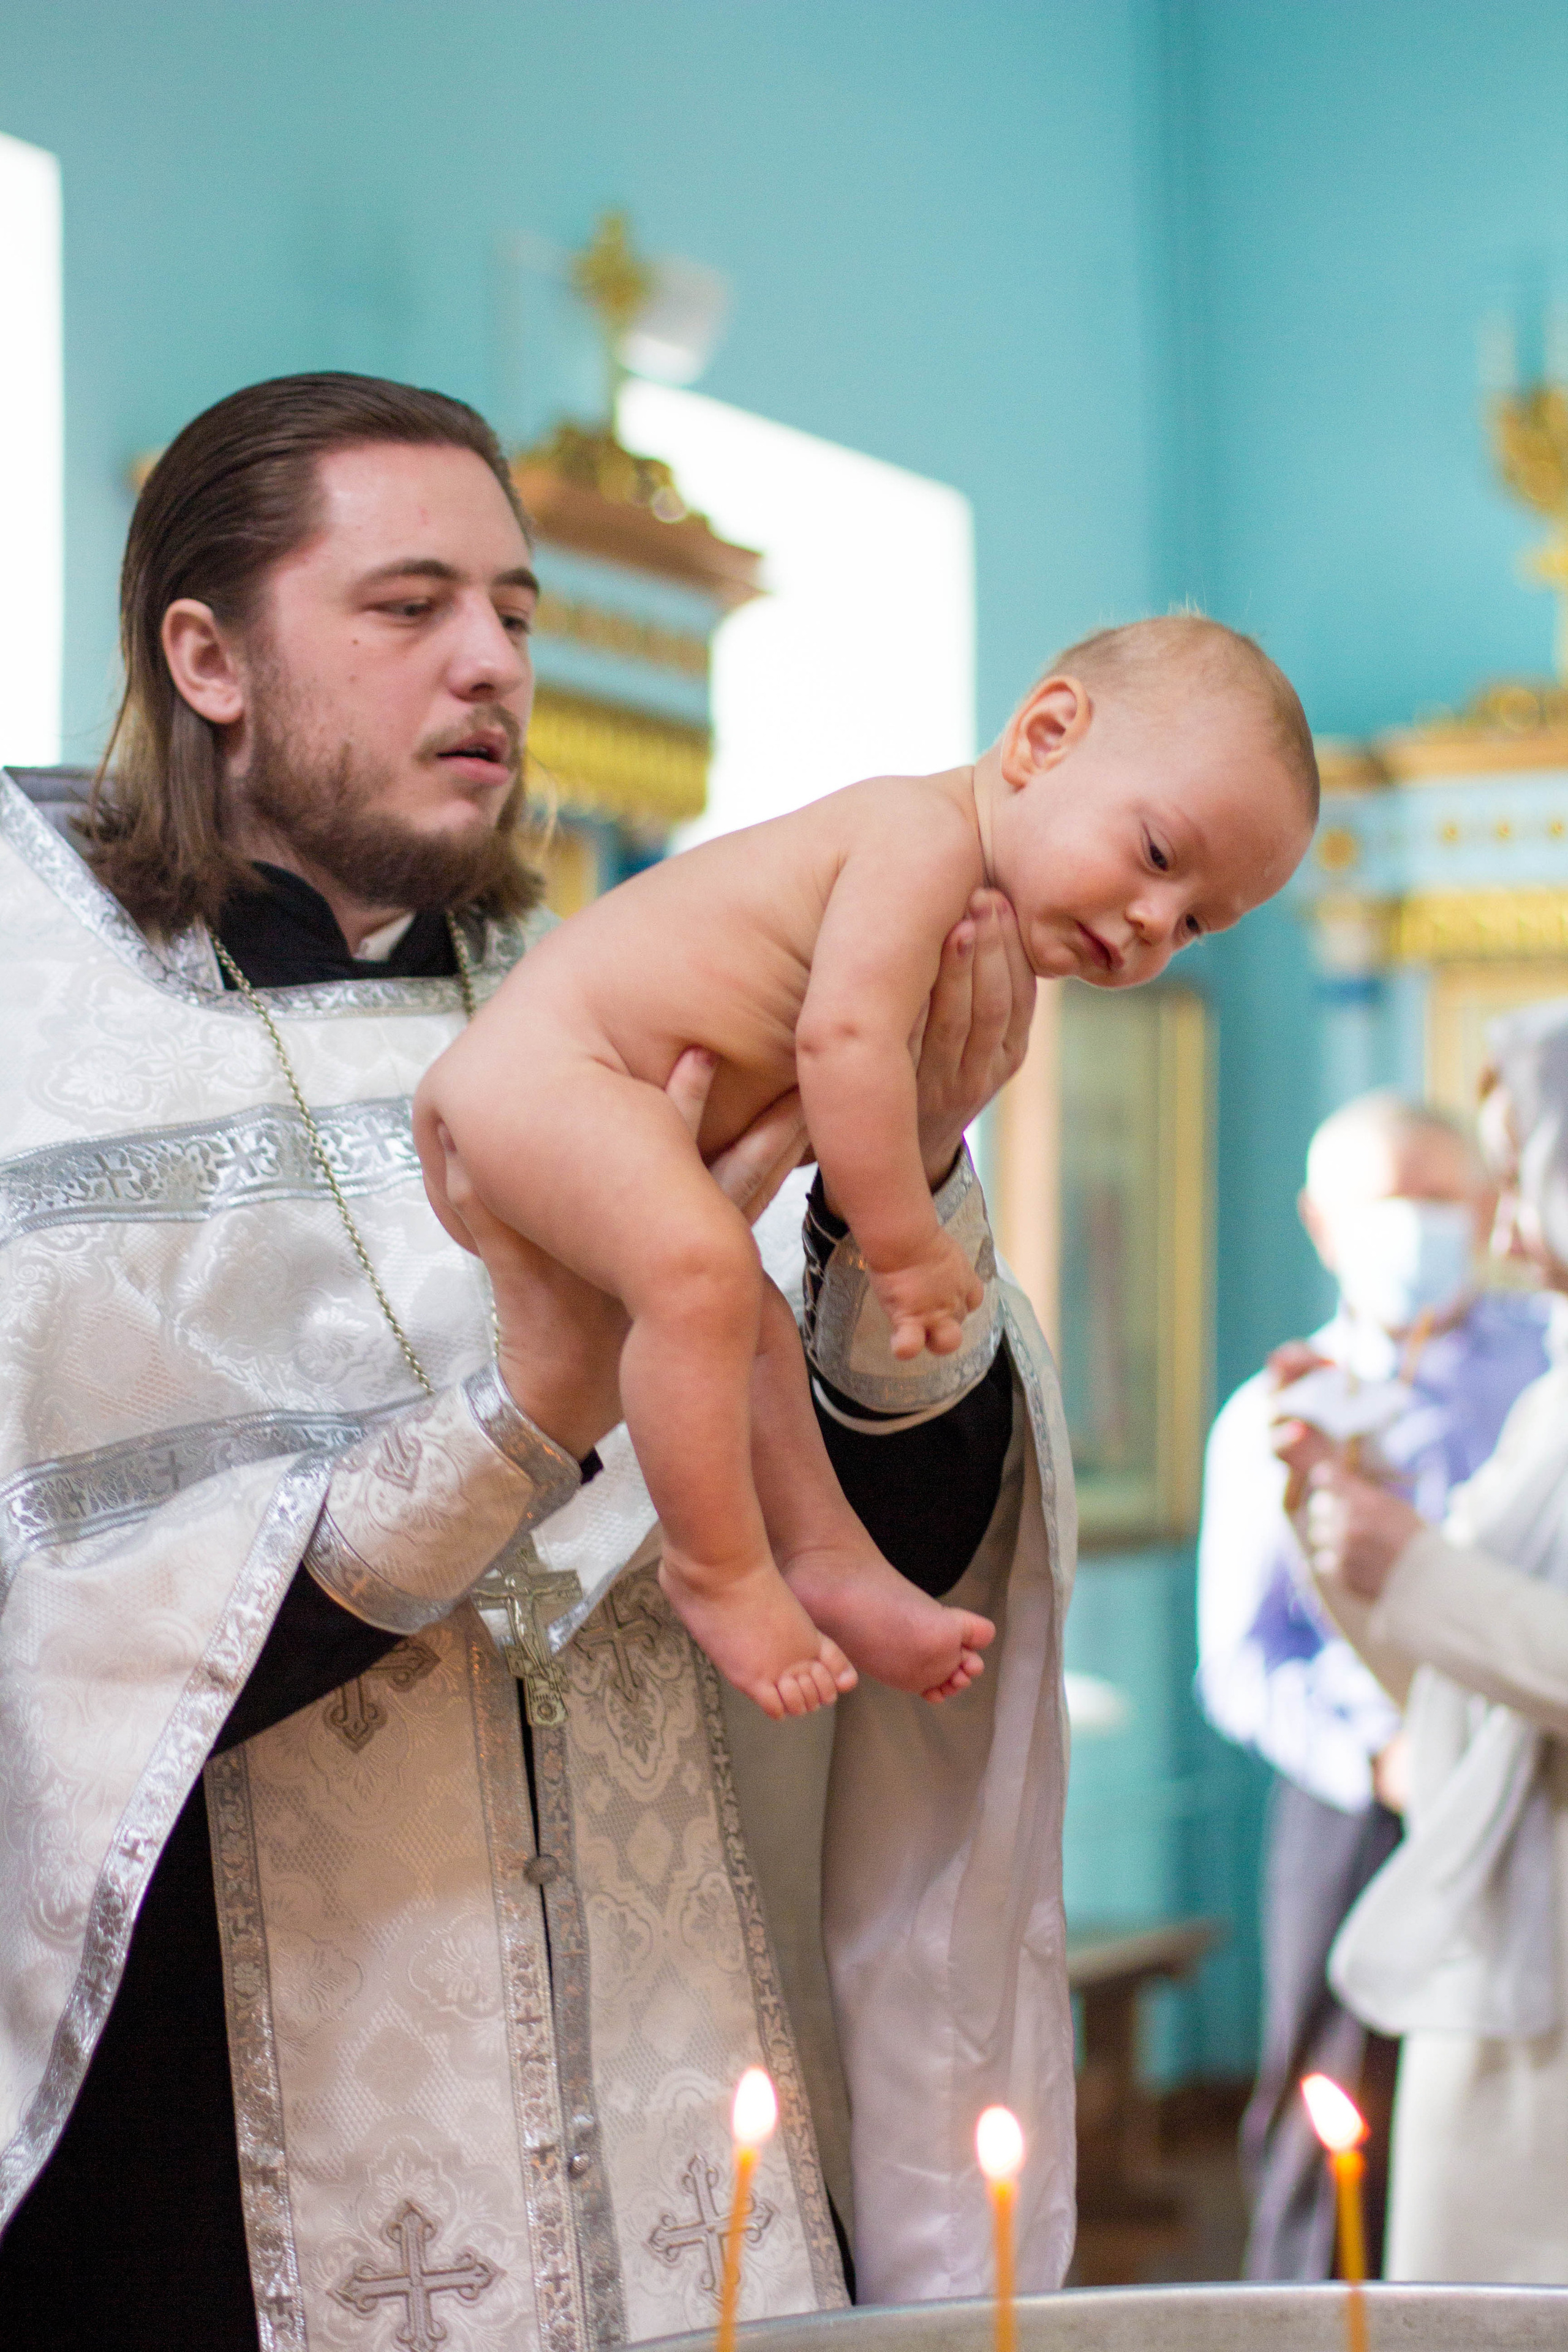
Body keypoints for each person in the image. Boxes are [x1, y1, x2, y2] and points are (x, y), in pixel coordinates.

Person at [0, 373, 1076, 2347]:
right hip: (200, 2177)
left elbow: (911, 1549)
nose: (492, 660)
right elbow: (61, 1669)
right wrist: (518, 1419)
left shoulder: (612, 1009)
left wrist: (897, 1180)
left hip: (669, 2118)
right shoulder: (36, 1042)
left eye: (515, 611)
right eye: (411, 608)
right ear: (206, 655)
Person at [421, 616, 1317, 1721]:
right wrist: (902, 1244)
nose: (1151, 923)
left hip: (584, 1106)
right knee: (704, 1275)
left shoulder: (983, 922)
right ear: (1044, 735)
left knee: (736, 1313)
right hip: (542, 1077)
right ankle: (716, 1568)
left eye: (1195, 926)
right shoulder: (921, 836)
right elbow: (839, 1045)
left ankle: (828, 1556)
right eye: (1160, 857)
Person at [1197, 1090, 1548, 2280]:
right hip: (1352, 1802)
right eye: (1380, 1206)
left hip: (1527, 1782)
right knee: (1321, 2094)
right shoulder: (1275, 1412)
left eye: (1438, 1202)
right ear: (1318, 1220)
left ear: (1496, 1204)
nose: (1411, 1230)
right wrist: (1371, 1760)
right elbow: (1243, 1659)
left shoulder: (1546, 1383)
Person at [1294, 1005, 1568, 2282]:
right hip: (1503, 1936)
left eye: (1522, 1176)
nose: (1504, 1231)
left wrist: (1412, 1564)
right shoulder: (1548, 1404)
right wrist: (1341, 1526)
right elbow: (1458, 1684)